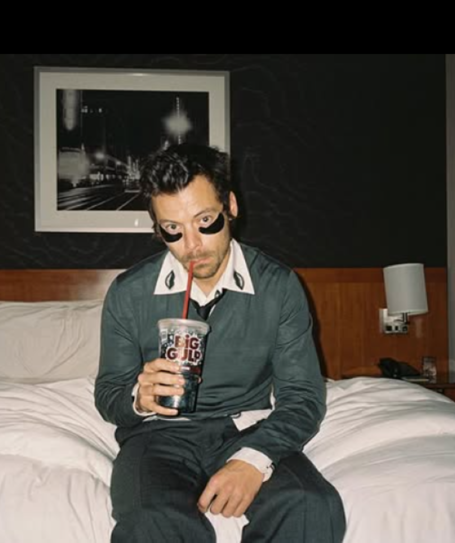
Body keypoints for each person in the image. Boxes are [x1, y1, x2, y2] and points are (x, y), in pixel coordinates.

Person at [95, 143, 345, 542]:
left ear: (230, 206)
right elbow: (109, 395)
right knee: (152, 521)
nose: (192, 245)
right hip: (157, 436)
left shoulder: (278, 286)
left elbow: (302, 397)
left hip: (248, 427)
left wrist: (253, 459)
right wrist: (138, 399)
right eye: (173, 229)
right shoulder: (129, 293)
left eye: (205, 221)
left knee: (309, 505)